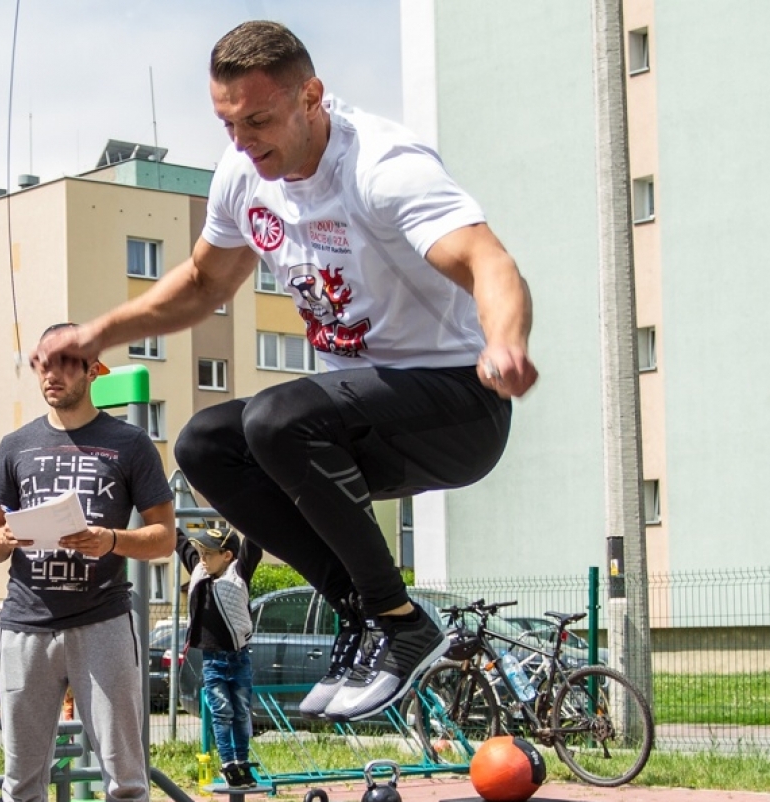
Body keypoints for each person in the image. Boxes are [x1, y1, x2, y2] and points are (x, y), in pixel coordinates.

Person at [31, 20, 537, 724]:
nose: (244, 142)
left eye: (260, 121)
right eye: (228, 123)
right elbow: (205, 284)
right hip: (360, 421)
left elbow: (489, 262)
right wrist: (96, 333)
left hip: (456, 404)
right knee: (206, 441)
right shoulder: (245, 179)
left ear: (312, 97)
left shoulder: (384, 169)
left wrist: (506, 342)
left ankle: (402, 621)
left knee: (278, 418)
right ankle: (359, 611)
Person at [0, 325, 176, 802]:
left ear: (94, 369)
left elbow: (165, 537)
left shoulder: (129, 444)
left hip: (103, 622)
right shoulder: (15, 446)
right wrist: (2, 540)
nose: (51, 375)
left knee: (124, 772)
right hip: (27, 625)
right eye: (43, 364)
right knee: (21, 776)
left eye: (65, 363)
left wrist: (110, 539)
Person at [175, 526, 258, 788]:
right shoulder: (199, 571)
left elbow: (255, 541)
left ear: (227, 555)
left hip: (239, 658)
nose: (202, 559)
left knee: (241, 712)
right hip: (212, 660)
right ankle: (228, 763)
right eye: (201, 553)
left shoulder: (240, 572)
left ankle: (243, 762)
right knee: (222, 712)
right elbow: (179, 543)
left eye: (209, 553)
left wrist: (244, 515)